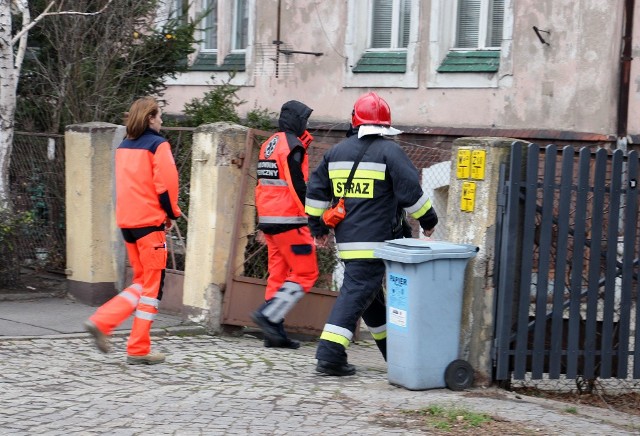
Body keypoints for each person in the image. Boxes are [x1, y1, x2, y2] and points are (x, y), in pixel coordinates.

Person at [305, 92, 438, 376]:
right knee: (356, 294)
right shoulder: (390, 152)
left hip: (349, 242)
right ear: (385, 125)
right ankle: (329, 353)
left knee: (371, 300)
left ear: (355, 121)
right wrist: (428, 220)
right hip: (378, 244)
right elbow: (411, 194)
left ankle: (395, 354)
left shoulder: (334, 153)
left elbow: (315, 194)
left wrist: (318, 229)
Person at [83, 96, 181, 365]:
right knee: (151, 287)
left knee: (141, 282)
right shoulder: (158, 145)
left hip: (128, 224)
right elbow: (167, 186)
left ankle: (109, 325)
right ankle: (131, 344)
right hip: (150, 224)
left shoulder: (125, 145)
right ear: (150, 117)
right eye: (159, 115)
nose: (161, 119)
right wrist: (172, 213)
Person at [251, 100, 320, 349]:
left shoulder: (269, 144)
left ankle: (275, 334)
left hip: (269, 220)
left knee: (278, 276)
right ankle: (268, 316)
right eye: (305, 119)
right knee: (306, 273)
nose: (307, 124)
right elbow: (297, 184)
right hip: (289, 221)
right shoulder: (293, 145)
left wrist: (259, 222)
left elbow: (262, 183)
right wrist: (312, 215)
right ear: (296, 120)